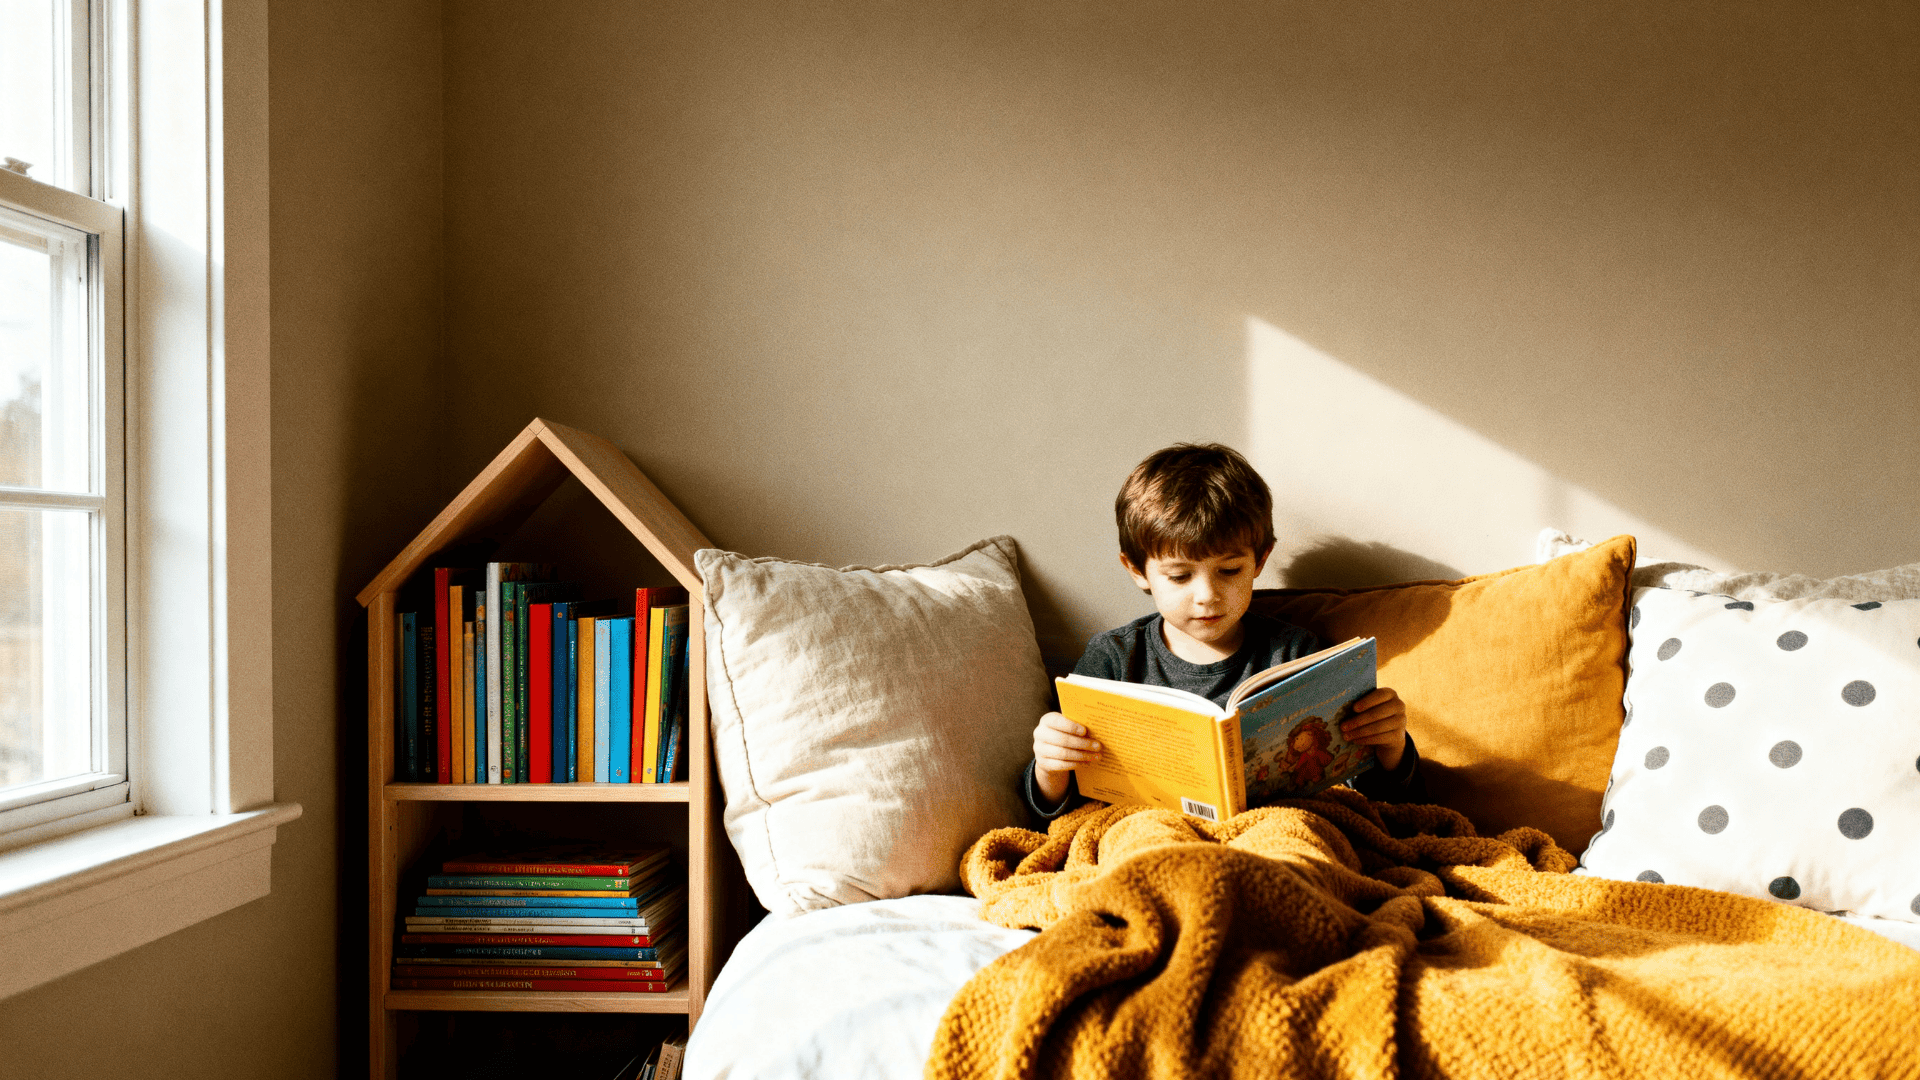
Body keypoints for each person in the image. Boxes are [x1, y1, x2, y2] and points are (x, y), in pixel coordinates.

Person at [1023, 443, 1427, 823]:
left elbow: (1365, 797)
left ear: (1259, 560)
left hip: (1268, 830)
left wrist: (1390, 747)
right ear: (1137, 571)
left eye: (1229, 571)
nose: (1207, 597)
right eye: (1180, 576)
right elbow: (1055, 809)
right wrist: (1049, 766)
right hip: (1151, 831)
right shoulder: (1113, 658)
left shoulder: (1292, 652)